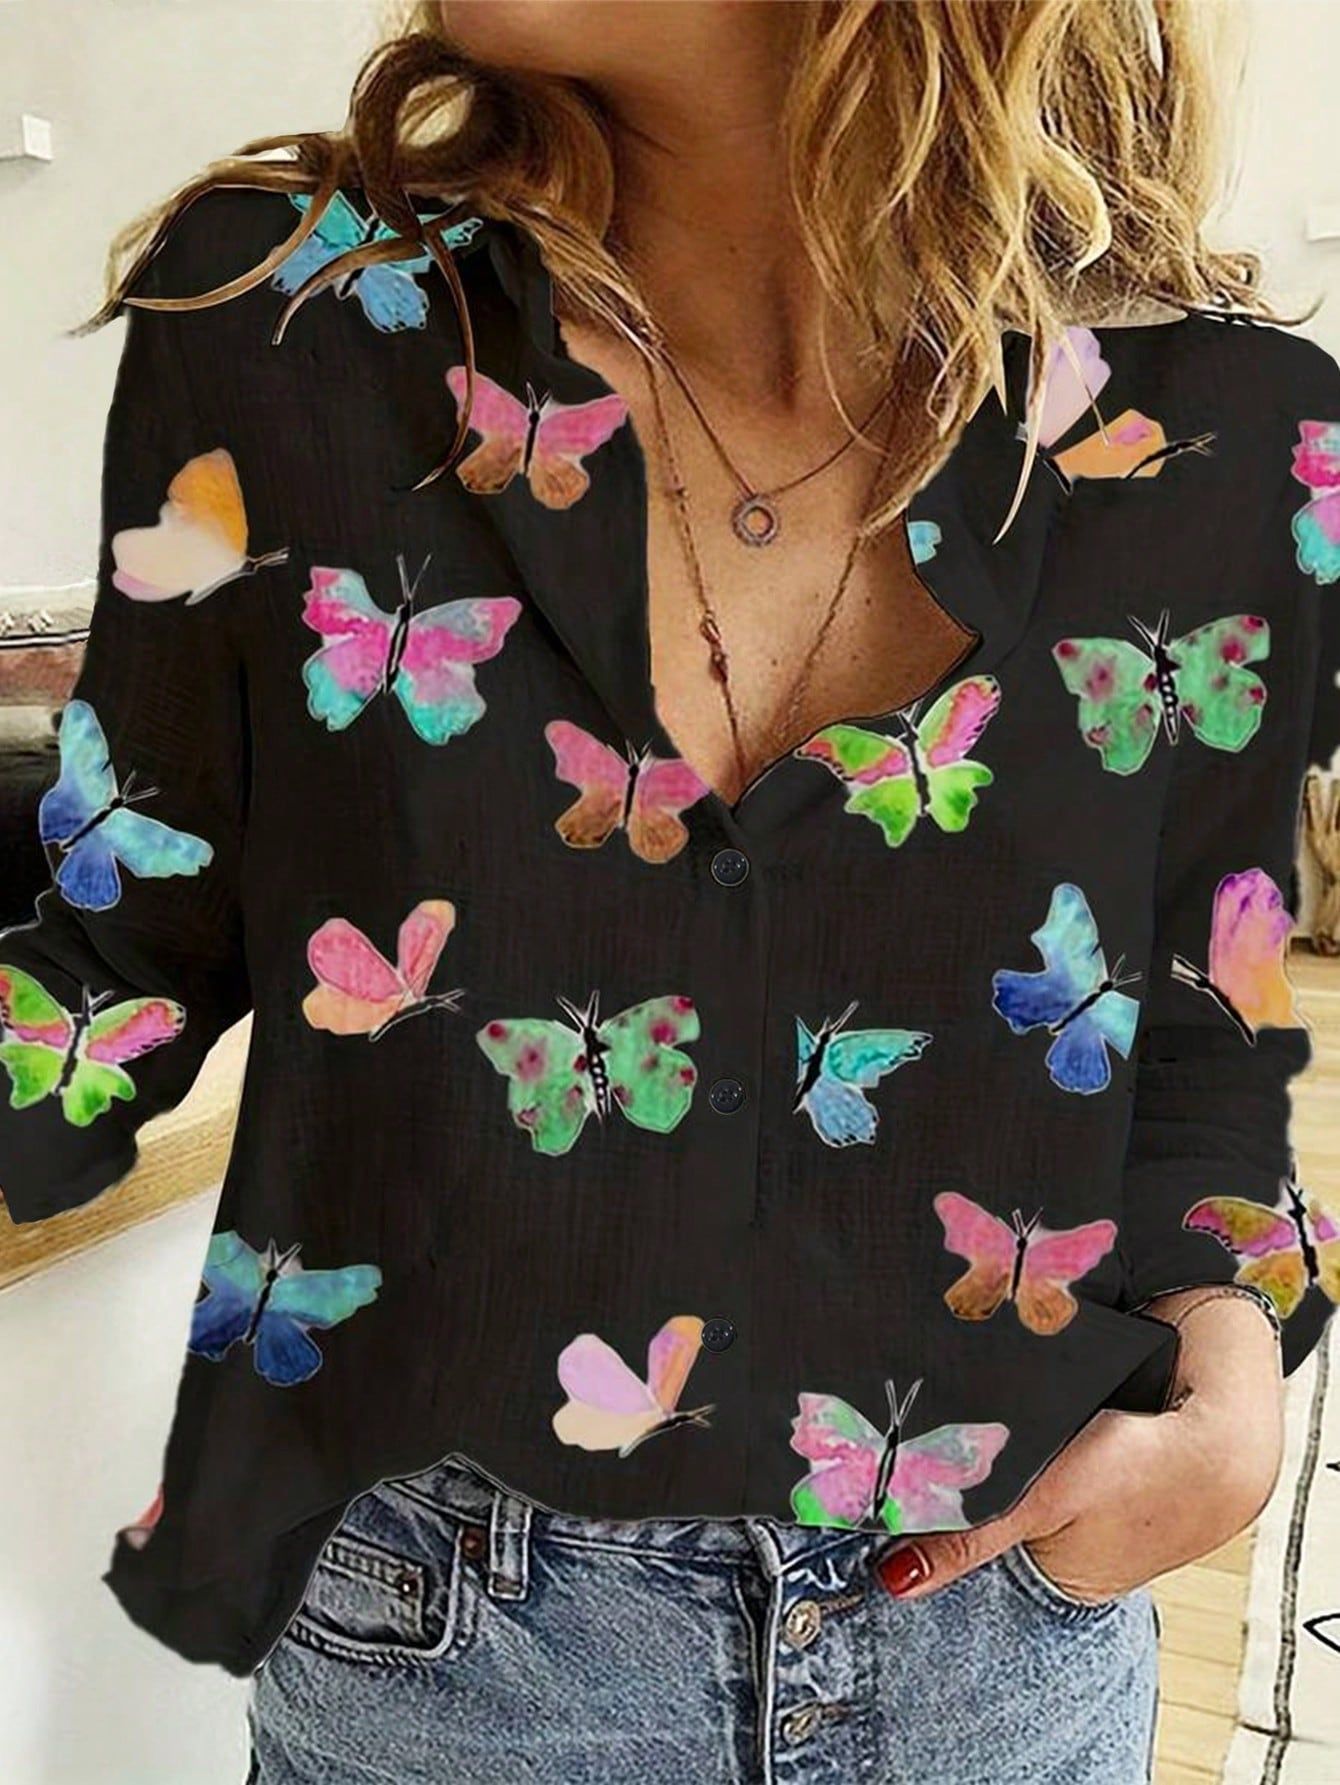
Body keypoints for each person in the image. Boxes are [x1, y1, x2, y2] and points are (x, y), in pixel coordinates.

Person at [5, 3, 1338, 1780]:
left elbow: (1194, 1027)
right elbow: (122, 952)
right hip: (446, 1662)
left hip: (1003, 1644)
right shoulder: (288, 323)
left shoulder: (1224, 426)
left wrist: (1230, 1369)